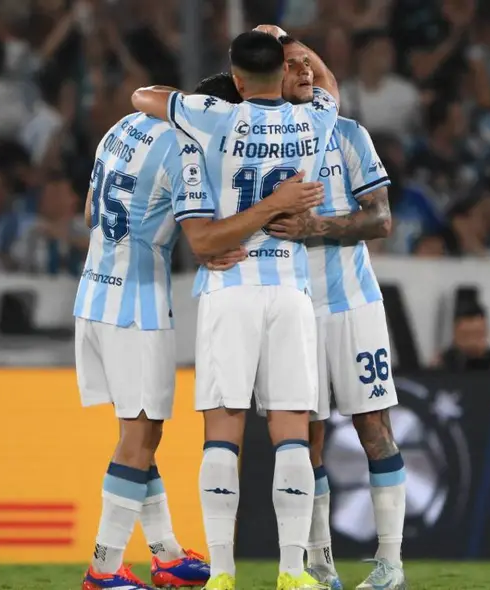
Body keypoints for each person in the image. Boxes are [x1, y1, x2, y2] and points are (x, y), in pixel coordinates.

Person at [77, 75, 322, 589]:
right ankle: (103, 568)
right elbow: (204, 238)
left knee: (139, 434)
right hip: (136, 306)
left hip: (92, 292)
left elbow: (90, 212)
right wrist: (265, 210)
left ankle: (165, 554)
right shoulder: (185, 148)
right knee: (139, 437)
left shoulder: (121, 129)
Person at [131, 29, 339, 590]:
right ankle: (292, 573)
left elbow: (143, 97)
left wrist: (221, 93)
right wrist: (291, 41)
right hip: (290, 290)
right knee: (293, 431)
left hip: (230, 288)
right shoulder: (315, 119)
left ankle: (222, 573)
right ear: (286, 71)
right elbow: (330, 87)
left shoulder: (212, 117)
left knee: (222, 434)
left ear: (237, 78)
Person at [260, 33, 407, 590]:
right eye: (288, 64)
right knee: (308, 438)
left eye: (306, 63)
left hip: (352, 305)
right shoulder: (259, 146)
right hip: (292, 310)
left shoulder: (347, 135)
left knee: (374, 427)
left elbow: (381, 220)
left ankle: (390, 564)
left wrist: (316, 228)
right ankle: (319, 566)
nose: (302, 70)